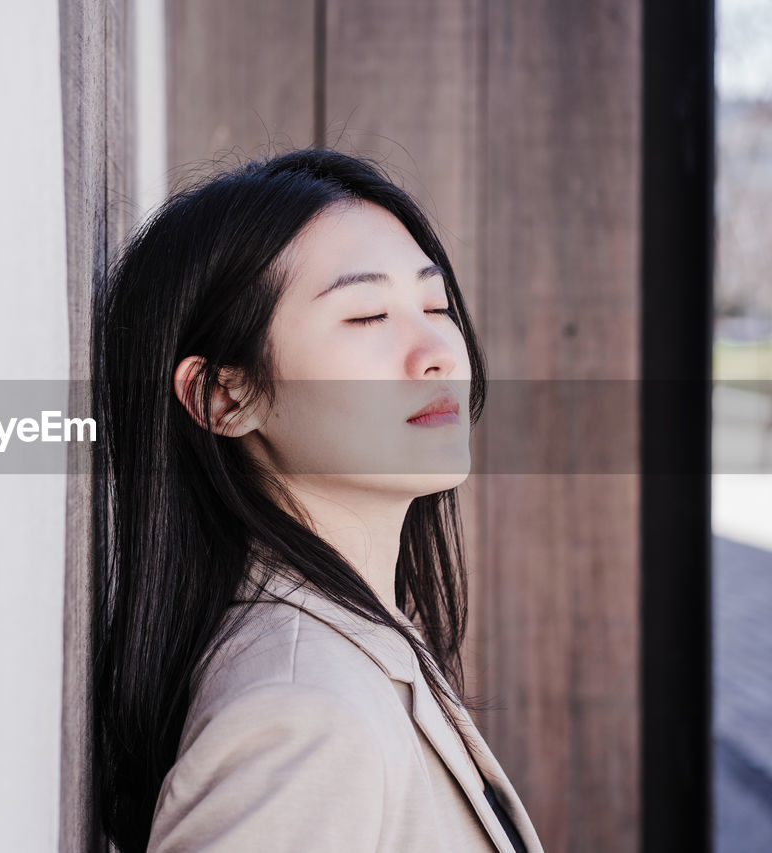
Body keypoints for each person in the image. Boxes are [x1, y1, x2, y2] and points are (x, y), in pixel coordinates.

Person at [92, 148, 545, 852]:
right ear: (223, 395)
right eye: (367, 315)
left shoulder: (359, 648)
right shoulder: (301, 711)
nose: (437, 352)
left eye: (435, 303)